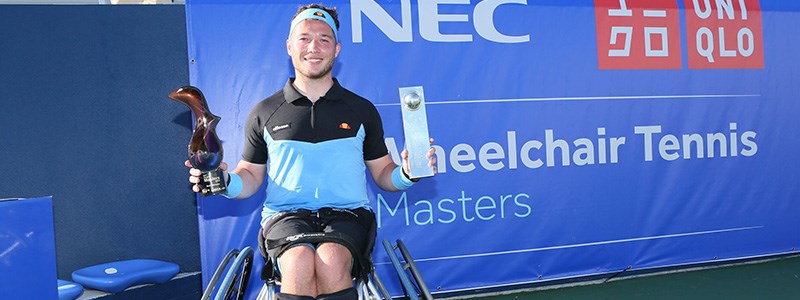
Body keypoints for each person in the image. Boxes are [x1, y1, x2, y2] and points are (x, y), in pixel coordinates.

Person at [185, 4, 436, 300]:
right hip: (285, 217)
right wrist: (225, 183)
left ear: (337, 49)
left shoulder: (361, 109)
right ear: (290, 46)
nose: (313, 47)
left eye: (324, 39)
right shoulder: (264, 111)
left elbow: (383, 174)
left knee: (330, 259)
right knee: (298, 261)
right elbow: (250, 175)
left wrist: (407, 173)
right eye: (304, 38)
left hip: (349, 215)